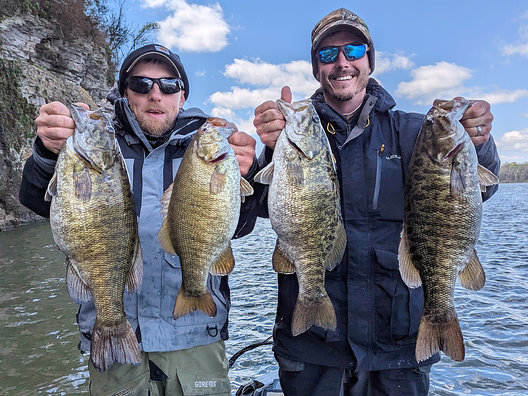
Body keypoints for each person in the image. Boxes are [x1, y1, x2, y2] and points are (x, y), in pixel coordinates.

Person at [253, 8, 500, 396]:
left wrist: (478, 145)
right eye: (327, 54)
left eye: (353, 49)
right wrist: (270, 153)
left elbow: (478, 189)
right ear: (316, 67)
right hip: (313, 348)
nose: (342, 62)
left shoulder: (415, 131)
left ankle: (441, 315)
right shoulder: (291, 137)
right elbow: (263, 206)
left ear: (370, 60)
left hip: (399, 347)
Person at [19, 44, 258, 395]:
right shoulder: (100, 146)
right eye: (141, 84)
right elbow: (37, 200)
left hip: (194, 335)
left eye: (168, 85)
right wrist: (47, 152)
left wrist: (243, 174)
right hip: (112, 338)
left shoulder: (208, 151)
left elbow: (238, 226)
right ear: (125, 93)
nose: (155, 94)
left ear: (182, 95)